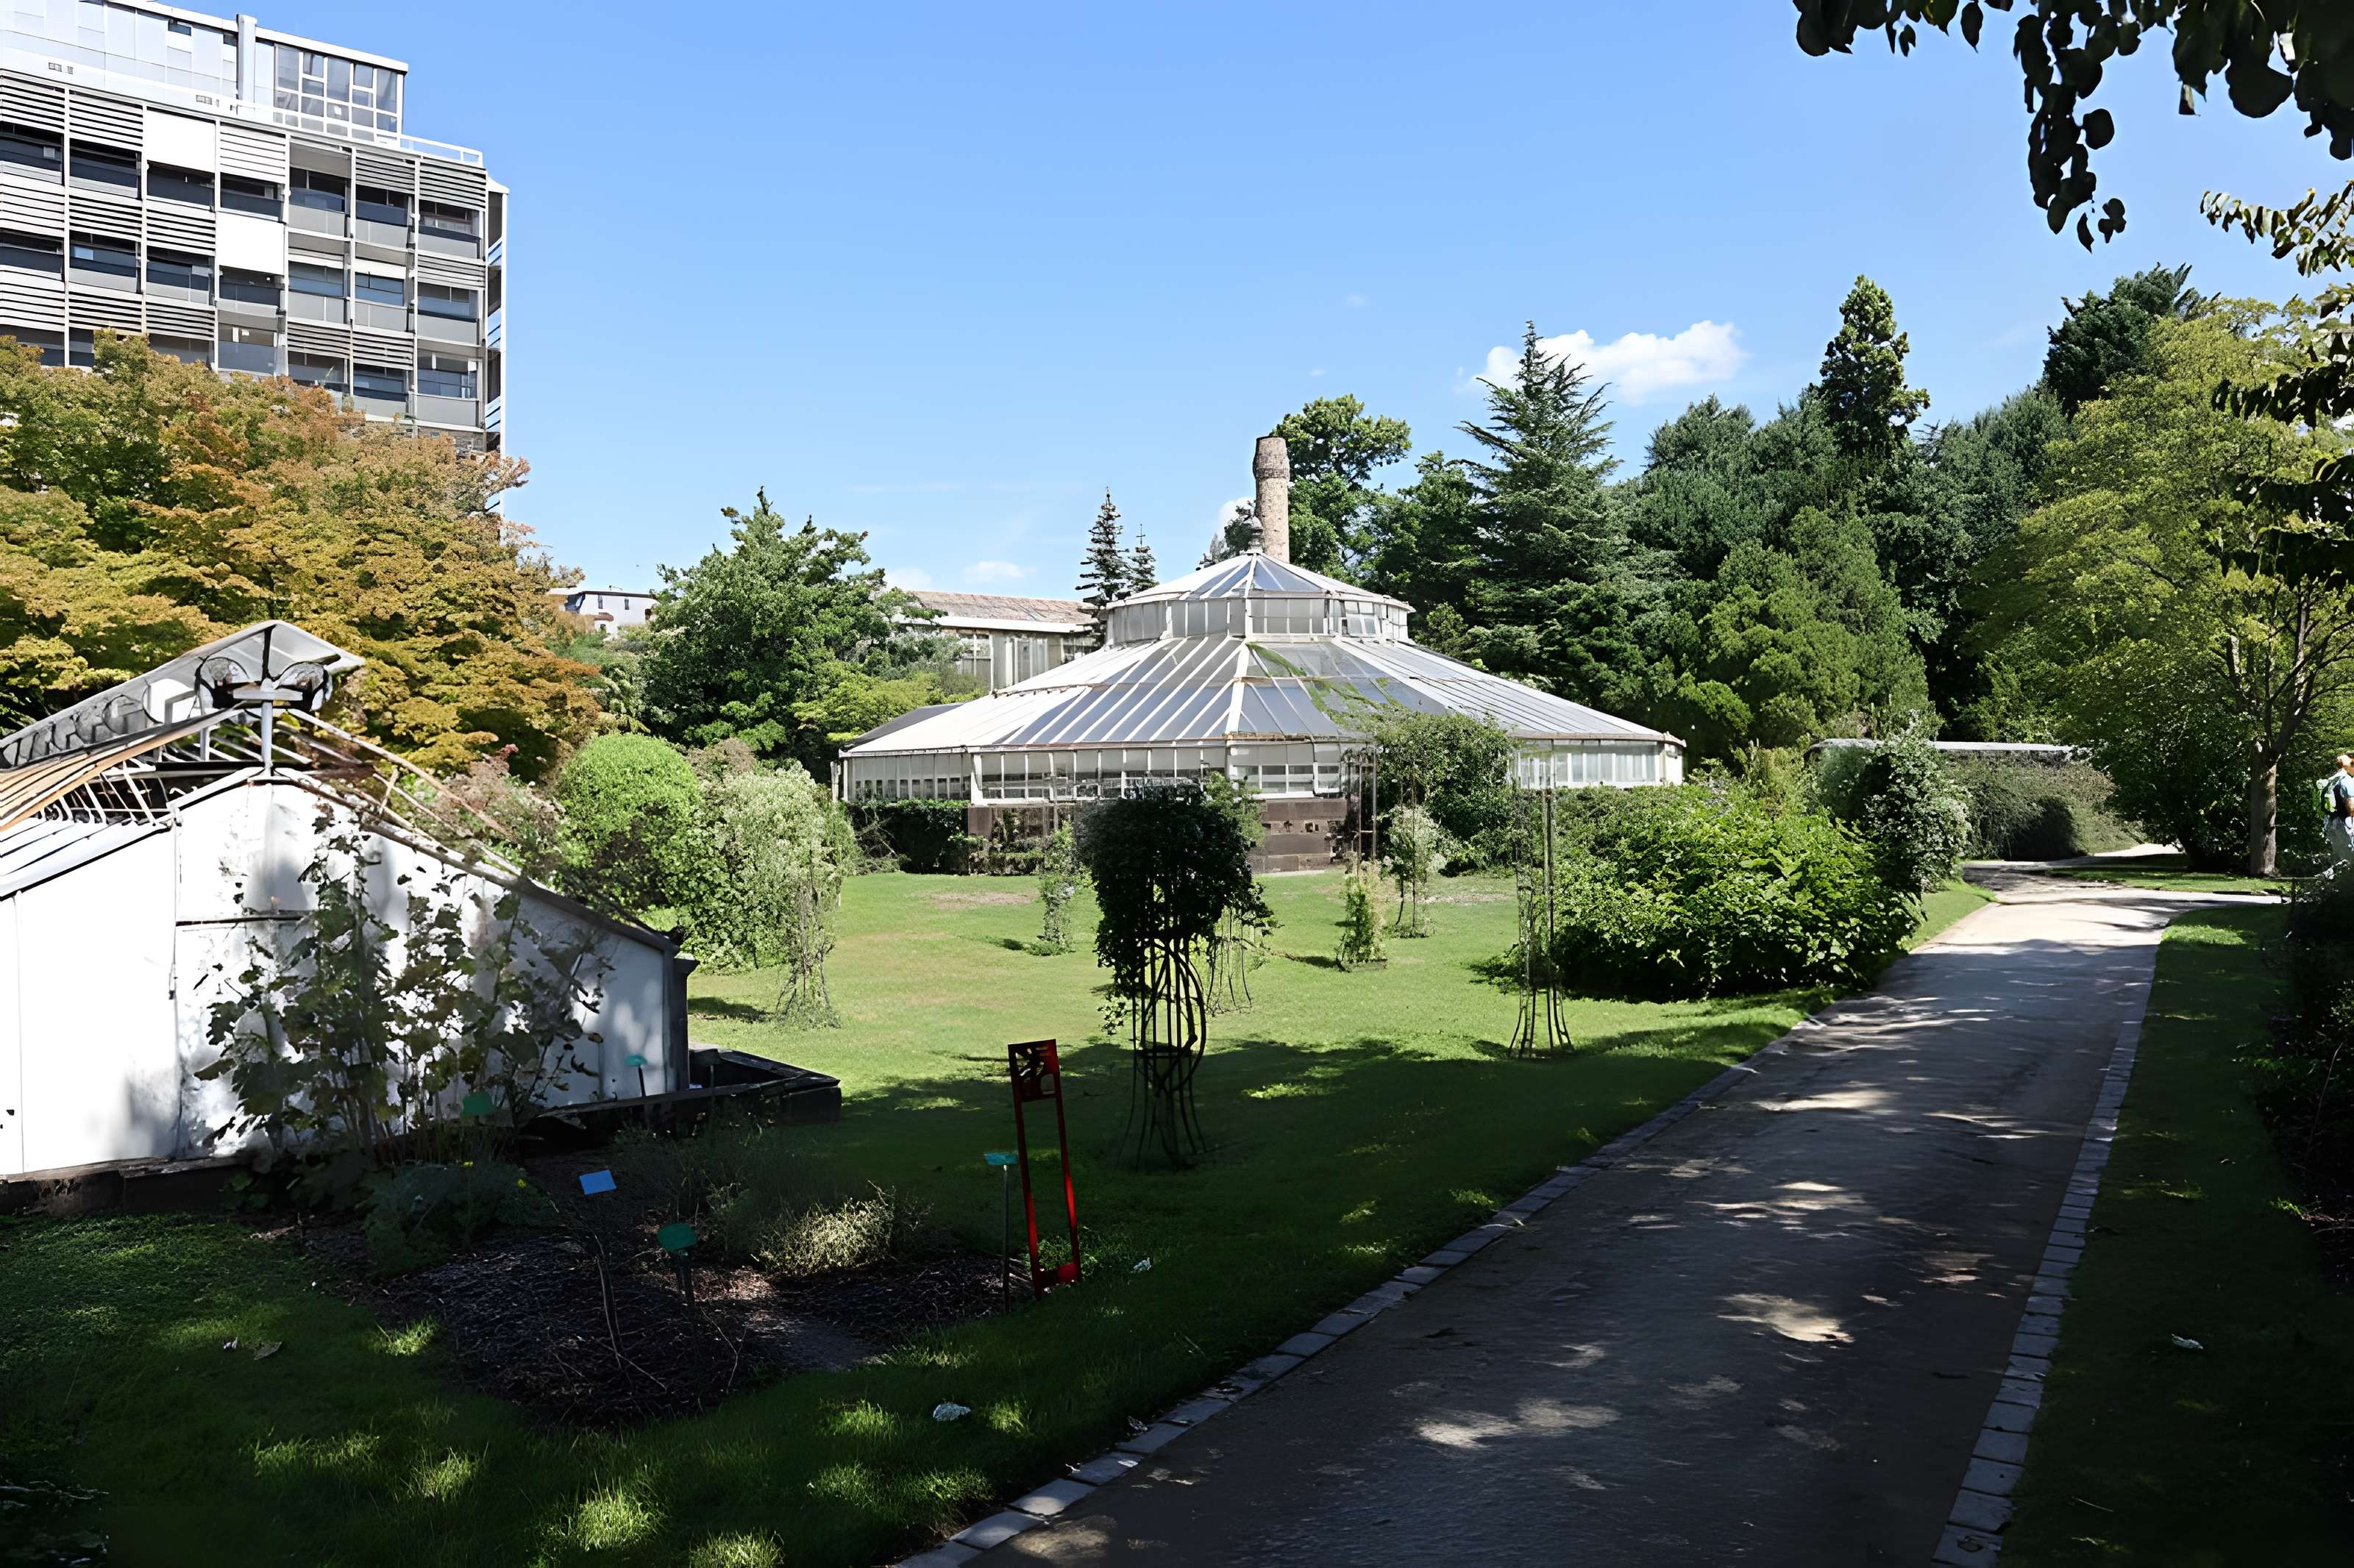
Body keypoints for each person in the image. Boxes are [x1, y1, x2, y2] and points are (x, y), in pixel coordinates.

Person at [2326, 754, 2354, 865]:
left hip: (2332, 823)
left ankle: (2339, 880)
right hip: (2346, 823)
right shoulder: (2347, 780)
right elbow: (2351, 805)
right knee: (2350, 857)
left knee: (2342, 858)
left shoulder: (2332, 780)